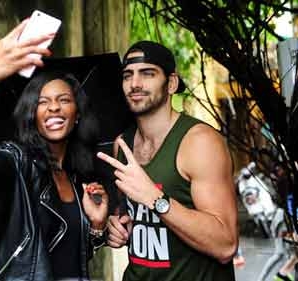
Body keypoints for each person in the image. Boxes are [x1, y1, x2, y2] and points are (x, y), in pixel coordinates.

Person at [0, 20, 108, 281]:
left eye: (64, 99)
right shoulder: (19, 161)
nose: (54, 107)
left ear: (77, 115)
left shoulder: (77, 179)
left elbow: (68, 255)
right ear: (33, 116)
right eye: (43, 102)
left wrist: (97, 226)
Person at [96, 41, 238, 280]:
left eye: (147, 73)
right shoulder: (122, 144)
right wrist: (118, 228)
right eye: (127, 75)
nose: (135, 84)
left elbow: (225, 245)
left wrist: (155, 198)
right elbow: (133, 216)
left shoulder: (200, 142)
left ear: (171, 83)